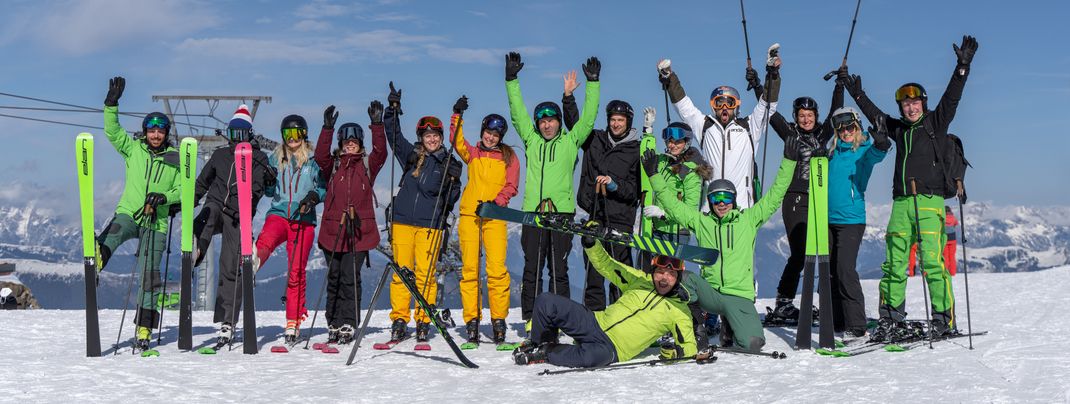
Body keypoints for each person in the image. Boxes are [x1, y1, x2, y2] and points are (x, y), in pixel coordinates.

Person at [839, 35, 978, 339]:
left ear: (923, 104)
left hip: (929, 202)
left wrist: (962, 66)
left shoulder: (936, 123)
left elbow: (953, 97)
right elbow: (875, 115)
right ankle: (891, 315)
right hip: (902, 202)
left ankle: (944, 318)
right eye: (905, 104)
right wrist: (856, 92)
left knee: (931, 262)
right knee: (894, 262)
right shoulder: (899, 129)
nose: (911, 108)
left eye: (915, 103)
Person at [641, 133, 805, 351]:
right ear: (709, 201)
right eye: (716, 198)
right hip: (711, 293)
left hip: (739, 295)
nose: (721, 203)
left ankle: (732, 326)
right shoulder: (701, 221)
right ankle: (694, 327)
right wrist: (654, 175)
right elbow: (672, 205)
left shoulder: (748, 219)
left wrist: (789, 162)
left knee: (753, 344)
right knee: (682, 276)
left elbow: (775, 195)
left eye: (726, 198)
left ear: (734, 200)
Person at [504, 52, 601, 330]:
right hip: (533, 213)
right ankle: (532, 319)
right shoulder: (531, 141)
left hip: (562, 213)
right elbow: (517, 112)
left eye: (551, 119)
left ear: (559, 121)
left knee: (559, 269)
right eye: (542, 120)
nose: (546, 124)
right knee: (532, 268)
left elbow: (589, 118)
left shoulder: (571, 141)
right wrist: (511, 79)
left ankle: (561, 319)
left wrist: (592, 84)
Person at [513, 238, 698, 368]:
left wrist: (674, 354)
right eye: (660, 272)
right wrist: (591, 245)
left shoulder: (679, 311)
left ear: (678, 278)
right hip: (594, 322)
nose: (664, 278)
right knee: (546, 301)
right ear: (653, 272)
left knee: (591, 358)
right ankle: (538, 342)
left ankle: (547, 352)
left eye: (671, 274)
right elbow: (608, 266)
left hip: (612, 348)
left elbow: (689, 347)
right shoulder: (639, 280)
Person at [98, 76, 181, 352]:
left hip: (156, 223)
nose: (155, 135)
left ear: (166, 133)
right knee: (115, 231)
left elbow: (185, 190)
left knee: (150, 276)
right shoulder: (133, 150)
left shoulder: (177, 159)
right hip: (131, 213)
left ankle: (144, 327)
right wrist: (111, 104)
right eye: (151, 130)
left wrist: (165, 197)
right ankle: (97, 259)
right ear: (145, 132)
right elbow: (113, 133)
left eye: (160, 130)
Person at [657, 44, 781, 209]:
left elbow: (767, 106)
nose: (724, 107)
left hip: (742, 208)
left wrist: (772, 74)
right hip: (711, 208)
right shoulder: (705, 126)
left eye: (729, 103)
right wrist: (670, 78)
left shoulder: (750, 127)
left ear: (736, 106)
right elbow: (684, 108)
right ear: (713, 106)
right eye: (719, 102)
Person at [383, 83, 462, 344]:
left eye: (436, 135)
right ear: (421, 137)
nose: (432, 139)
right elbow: (393, 137)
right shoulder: (410, 155)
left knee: (426, 274)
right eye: (427, 135)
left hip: (430, 225)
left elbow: (450, 201)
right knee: (401, 273)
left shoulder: (448, 163)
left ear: (441, 138)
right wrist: (392, 110)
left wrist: (454, 182)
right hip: (402, 222)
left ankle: (423, 318)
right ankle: (399, 319)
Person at [192, 104, 274, 345]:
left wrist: (250, 199)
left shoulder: (258, 158)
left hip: (238, 215)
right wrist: (188, 202)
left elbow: (258, 189)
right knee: (207, 215)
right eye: (233, 133)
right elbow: (201, 183)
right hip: (217, 204)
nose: (237, 139)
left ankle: (228, 320)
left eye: (241, 134)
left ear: (249, 134)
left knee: (229, 266)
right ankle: (196, 247)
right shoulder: (220, 155)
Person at [765, 83, 844, 324]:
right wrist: (761, 83)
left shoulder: (823, 133)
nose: (806, 119)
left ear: (816, 116)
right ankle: (784, 303)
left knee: (826, 252)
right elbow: (770, 112)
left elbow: (836, 110)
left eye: (810, 115)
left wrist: (839, 85)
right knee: (800, 253)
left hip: (820, 198)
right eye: (801, 115)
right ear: (796, 117)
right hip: (795, 199)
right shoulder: (790, 133)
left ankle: (828, 299)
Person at [313, 102, 388, 344]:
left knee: (349, 277)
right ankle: (332, 322)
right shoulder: (332, 166)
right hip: (333, 230)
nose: (350, 143)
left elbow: (382, 152)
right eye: (346, 141)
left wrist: (377, 124)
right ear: (340, 143)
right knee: (334, 277)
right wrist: (326, 129)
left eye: (354, 140)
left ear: (360, 142)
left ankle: (348, 322)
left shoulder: (367, 165)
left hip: (358, 230)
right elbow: (320, 156)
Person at [448, 96, 520, 345]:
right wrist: (457, 114)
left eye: (495, 135)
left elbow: (512, 186)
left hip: (494, 217)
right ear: (483, 132)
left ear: (501, 137)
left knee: (497, 270)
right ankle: (472, 322)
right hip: (469, 215)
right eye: (488, 133)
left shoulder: (509, 157)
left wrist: (498, 202)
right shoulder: (474, 153)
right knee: (470, 270)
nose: (491, 138)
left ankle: (498, 321)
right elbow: (456, 142)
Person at [563, 84, 640, 310]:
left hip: (621, 218)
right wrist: (568, 97)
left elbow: (636, 191)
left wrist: (615, 185)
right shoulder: (595, 139)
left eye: (621, 120)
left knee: (619, 274)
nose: (616, 124)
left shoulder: (636, 149)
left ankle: (620, 319)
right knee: (593, 271)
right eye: (613, 119)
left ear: (628, 122)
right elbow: (575, 125)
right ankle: (593, 319)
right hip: (594, 212)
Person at [252, 113, 326, 344]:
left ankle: (293, 321)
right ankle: (253, 260)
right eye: (287, 134)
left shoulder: (313, 161)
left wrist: (314, 197)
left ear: (303, 135)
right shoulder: (276, 159)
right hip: (279, 213)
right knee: (267, 238)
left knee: (296, 271)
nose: (292, 139)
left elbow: (322, 187)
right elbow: (270, 193)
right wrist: (268, 180)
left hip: (303, 218)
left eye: (296, 134)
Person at [826, 107, 890, 338]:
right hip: (827, 220)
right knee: (830, 271)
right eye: (841, 128)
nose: (846, 132)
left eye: (850, 127)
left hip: (851, 221)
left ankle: (856, 325)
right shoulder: (830, 154)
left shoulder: (863, 151)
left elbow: (878, 154)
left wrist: (882, 142)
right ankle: (837, 321)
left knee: (845, 270)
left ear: (858, 126)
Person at [908, 206, 958, 276]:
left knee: (945, 256)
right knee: (952, 256)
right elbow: (956, 224)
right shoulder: (953, 218)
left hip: (945, 238)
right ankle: (953, 272)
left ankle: (945, 270)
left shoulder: (942, 217)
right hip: (953, 239)